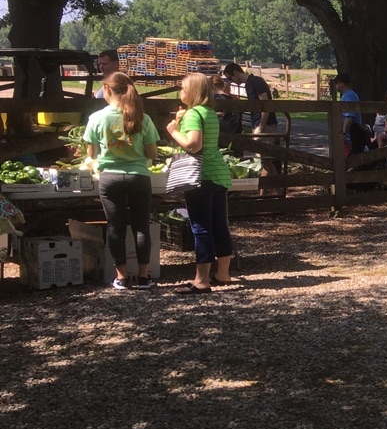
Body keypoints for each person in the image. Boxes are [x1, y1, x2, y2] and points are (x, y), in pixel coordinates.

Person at [83, 72, 160, 290]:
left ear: (107, 90)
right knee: (141, 226)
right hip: (139, 176)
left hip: (110, 178)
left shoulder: (97, 118)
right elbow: (152, 154)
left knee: (116, 228)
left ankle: (122, 277)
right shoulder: (143, 118)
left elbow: (92, 153)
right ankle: (144, 276)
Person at [165, 72, 235, 294]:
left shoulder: (194, 114)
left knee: (201, 227)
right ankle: (223, 273)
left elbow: (193, 145)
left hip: (199, 177)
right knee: (219, 225)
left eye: (183, 88)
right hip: (218, 174)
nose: (180, 92)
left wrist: (174, 131)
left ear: (193, 92)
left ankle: (201, 280)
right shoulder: (209, 112)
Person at [223, 63, 277, 133]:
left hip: (267, 125)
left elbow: (266, 105)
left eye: (230, 78)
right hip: (257, 125)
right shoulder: (249, 84)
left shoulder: (256, 81)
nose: (230, 81)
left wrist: (261, 127)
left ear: (235, 73)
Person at [331, 73, 364, 156]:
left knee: (346, 160)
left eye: (336, 83)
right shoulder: (346, 96)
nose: (335, 85)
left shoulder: (349, 96)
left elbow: (349, 117)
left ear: (341, 83)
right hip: (348, 137)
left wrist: (343, 133)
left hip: (350, 138)